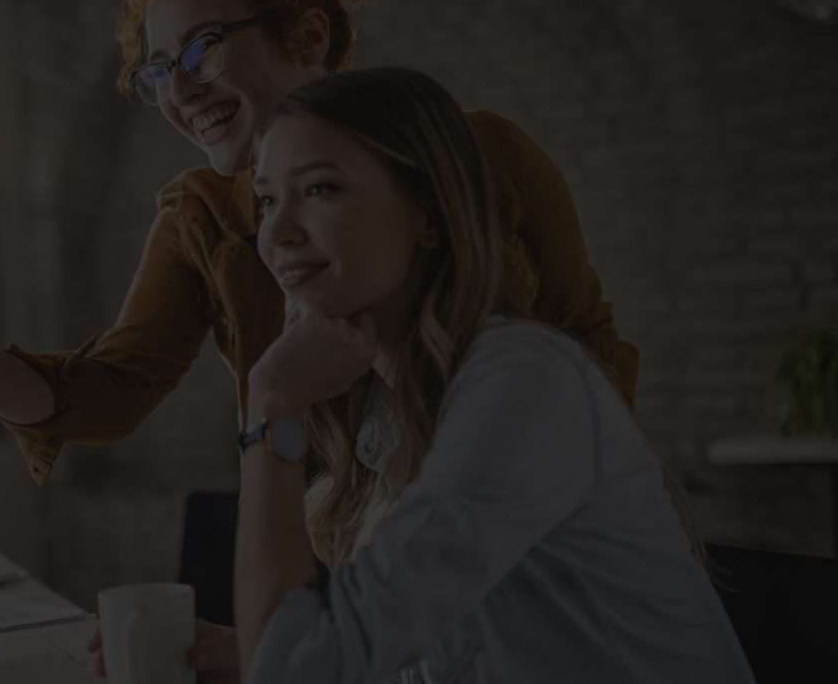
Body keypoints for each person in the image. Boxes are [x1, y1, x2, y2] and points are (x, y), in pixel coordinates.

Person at [0, 0, 637, 487]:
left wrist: (572, 494)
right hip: (334, 555)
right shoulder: (198, 216)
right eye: (157, 69)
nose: (178, 89)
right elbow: (112, 390)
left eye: (200, 48)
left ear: (309, 33)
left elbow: (586, 342)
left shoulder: (481, 155)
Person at [231, 66, 751, 683]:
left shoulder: (523, 383)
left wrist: (272, 407)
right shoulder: (394, 417)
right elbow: (427, 656)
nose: (276, 232)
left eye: (318, 189)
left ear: (429, 214)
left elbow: (292, 674)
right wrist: (252, 655)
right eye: (267, 199)